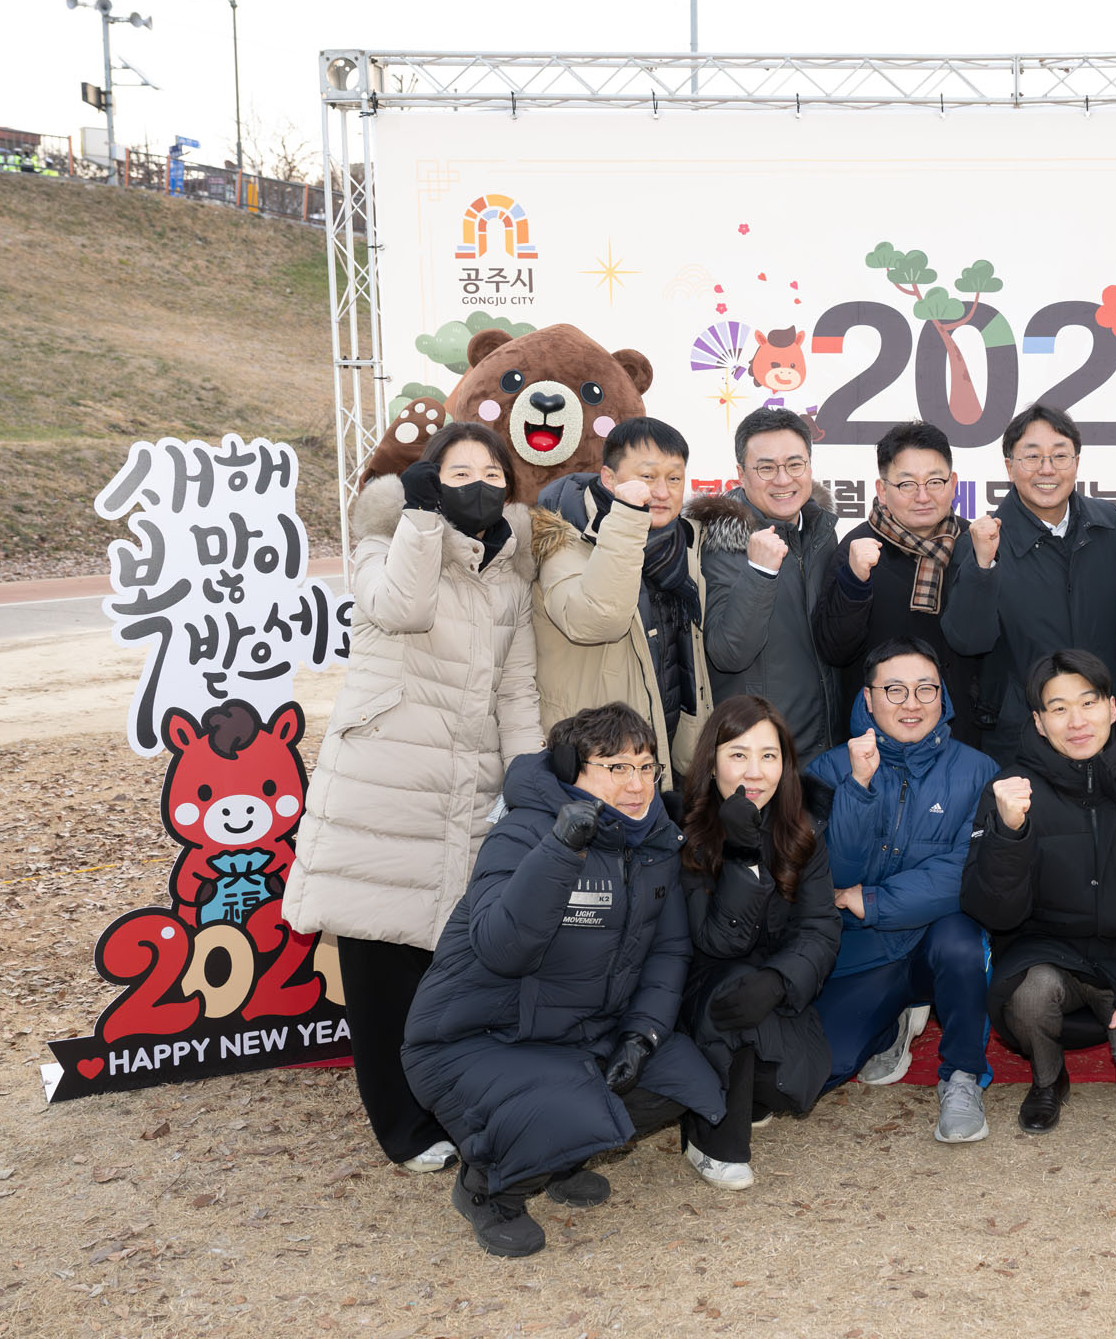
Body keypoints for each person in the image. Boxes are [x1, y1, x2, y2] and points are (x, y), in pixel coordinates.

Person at [283, 422, 541, 1176]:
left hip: (467, 787)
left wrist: (528, 782)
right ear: (427, 482)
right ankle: (400, 1124)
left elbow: (517, 688)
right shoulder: (382, 544)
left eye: (491, 472)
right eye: (457, 472)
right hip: (386, 780)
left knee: (450, 963)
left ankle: (448, 1102)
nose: (477, 484)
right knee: (380, 955)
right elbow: (402, 607)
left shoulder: (510, 574)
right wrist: (422, 518)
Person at [400, 704, 724, 1257]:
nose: (637, 784)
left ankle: (558, 1158)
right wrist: (561, 849)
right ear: (573, 770)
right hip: (475, 1039)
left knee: (682, 1078)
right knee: (564, 1108)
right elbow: (501, 947)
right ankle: (487, 1189)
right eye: (616, 767)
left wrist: (640, 1035)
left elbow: (667, 951)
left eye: (646, 767)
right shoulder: (523, 832)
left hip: (577, 1033)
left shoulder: (654, 843)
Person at [962, 650, 1116, 1134]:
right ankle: (1048, 1079)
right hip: (1048, 956)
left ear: (1111, 707)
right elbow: (993, 912)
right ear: (1038, 721)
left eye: (1088, 703)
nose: (1076, 722)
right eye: (1058, 708)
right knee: (1028, 995)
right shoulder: (1009, 788)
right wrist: (1008, 835)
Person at [805, 637, 998, 1143]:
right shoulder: (828, 770)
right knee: (815, 1070)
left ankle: (961, 1077)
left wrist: (872, 900)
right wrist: (858, 787)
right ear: (868, 699)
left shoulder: (978, 772)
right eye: (894, 690)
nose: (911, 704)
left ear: (942, 695)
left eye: (925, 689)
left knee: (962, 941)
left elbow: (965, 872)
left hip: (934, 938)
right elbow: (831, 874)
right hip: (861, 949)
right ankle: (891, 1024)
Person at [673, 695, 841, 1191]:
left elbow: (820, 927)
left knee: (800, 1080)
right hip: (695, 993)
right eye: (738, 754)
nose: (755, 771)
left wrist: (780, 980)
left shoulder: (800, 829)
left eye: (769, 755)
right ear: (712, 763)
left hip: (767, 985)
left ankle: (750, 1094)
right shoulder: (682, 829)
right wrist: (743, 855)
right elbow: (716, 941)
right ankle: (712, 1141)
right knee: (734, 992)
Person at [533, 416, 732, 782]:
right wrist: (627, 518)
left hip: (664, 754)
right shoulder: (565, 539)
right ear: (609, 479)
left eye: (674, 478)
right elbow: (597, 621)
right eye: (647, 476)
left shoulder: (684, 542)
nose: (662, 492)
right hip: (597, 761)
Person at [957, 405, 1116, 765]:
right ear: (1009, 466)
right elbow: (967, 641)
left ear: (1076, 462)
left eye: (1060, 456)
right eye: (1032, 457)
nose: (1047, 469)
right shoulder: (983, 541)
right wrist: (982, 567)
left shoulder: (1110, 524)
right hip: (1021, 737)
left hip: (1105, 732)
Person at [814, 421, 998, 746]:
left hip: (958, 738)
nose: (923, 496)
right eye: (907, 484)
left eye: (935, 481)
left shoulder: (977, 545)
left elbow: (990, 646)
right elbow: (833, 649)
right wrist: (854, 582)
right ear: (882, 490)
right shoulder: (857, 549)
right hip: (876, 741)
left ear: (954, 483)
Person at [697, 406, 846, 762]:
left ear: (809, 466)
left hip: (827, 752)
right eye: (766, 468)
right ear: (741, 474)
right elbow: (728, 652)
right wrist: (759, 573)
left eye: (794, 465)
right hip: (760, 759)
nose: (783, 480)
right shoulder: (720, 539)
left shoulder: (821, 532)